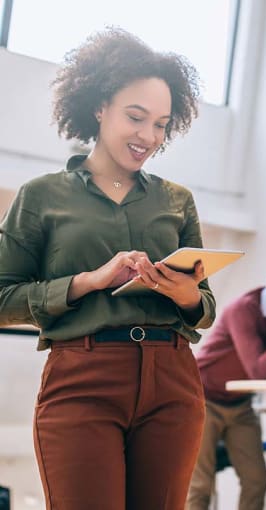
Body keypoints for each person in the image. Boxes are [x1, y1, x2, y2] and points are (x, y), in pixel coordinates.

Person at [0, 28, 216, 510]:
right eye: (135, 117)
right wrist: (90, 281)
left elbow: (205, 308)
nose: (148, 137)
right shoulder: (41, 197)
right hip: (82, 379)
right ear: (99, 107)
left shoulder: (177, 201)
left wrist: (182, 293)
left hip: (174, 383)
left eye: (160, 124)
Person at [186, 250, 266, 510]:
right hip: (202, 399)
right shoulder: (244, 309)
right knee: (199, 484)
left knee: (257, 480)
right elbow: (257, 371)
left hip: (240, 404)